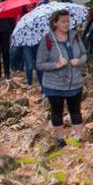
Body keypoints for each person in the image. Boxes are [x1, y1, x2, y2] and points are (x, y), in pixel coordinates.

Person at [36, 10, 87, 149]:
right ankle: (60, 139)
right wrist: (56, 64)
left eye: (68, 21)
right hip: (54, 84)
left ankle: (79, 137)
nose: (66, 24)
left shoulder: (74, 36)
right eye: (63, 21)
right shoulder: (47, 40)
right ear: (55, 23)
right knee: (57, 111)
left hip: (75, 81)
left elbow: (84, 54)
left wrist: (80, 61)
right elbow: (39, 64)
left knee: (76, 110)